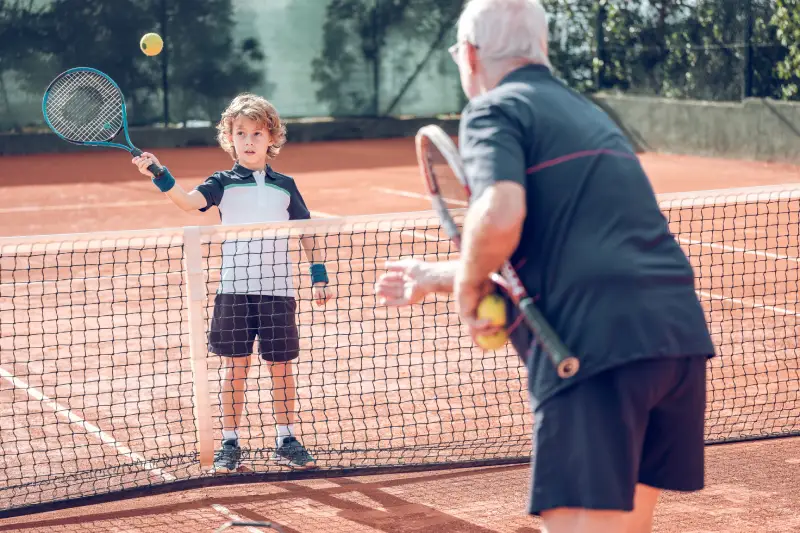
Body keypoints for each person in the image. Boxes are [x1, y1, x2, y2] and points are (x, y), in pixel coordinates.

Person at [375, 1, 715, 531]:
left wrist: (468, 297)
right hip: (675, 345)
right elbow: (561, 249)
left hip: (592, 353)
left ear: (468, 54)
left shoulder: (494, 109)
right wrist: (435, 277)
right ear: (543, 48)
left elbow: (501, 213)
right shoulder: (588, 114)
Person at [132, 93, 331, 472]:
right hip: (235, 292)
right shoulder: (222, 182)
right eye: (241, 133)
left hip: (278, 292)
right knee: (236, 367)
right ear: (230, 139)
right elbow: (189, 203)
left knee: (281, 368)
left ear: (272, 138)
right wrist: (160, 173)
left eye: (258, 133)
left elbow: (307, 232)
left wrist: (318, 276)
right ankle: (229, 442)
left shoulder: (285, 185)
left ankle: (286, 438)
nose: (250, 140)